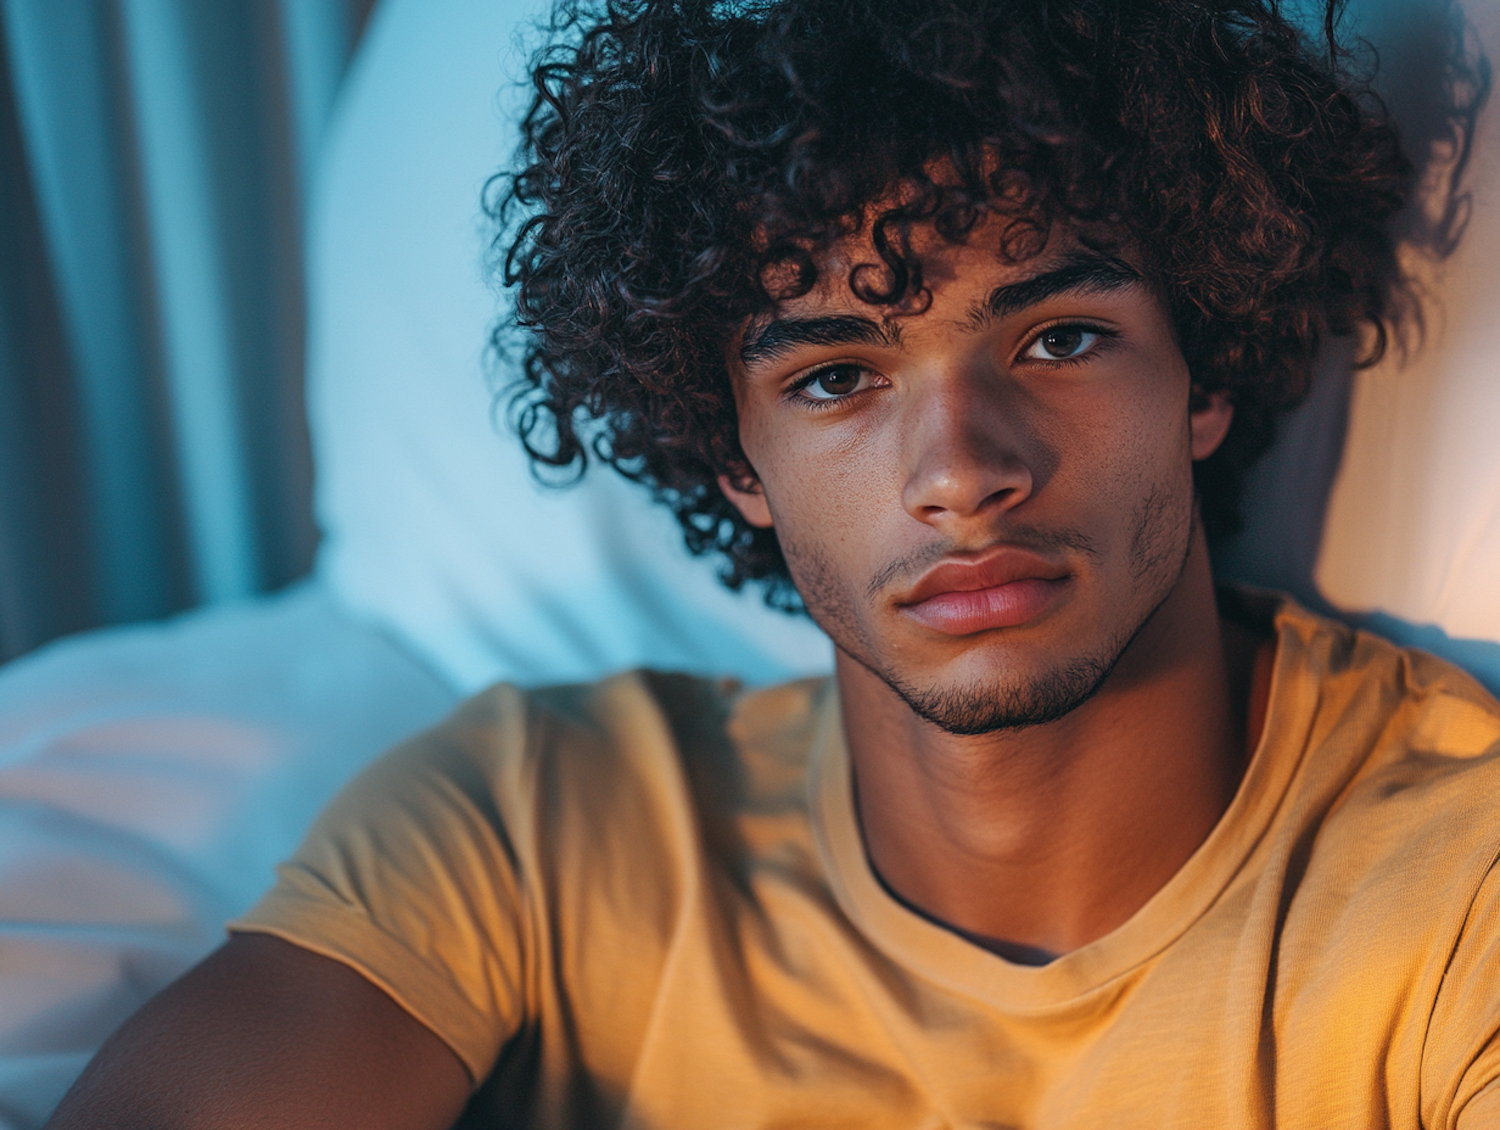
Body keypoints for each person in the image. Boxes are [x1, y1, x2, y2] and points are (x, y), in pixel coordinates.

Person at [44, 0, 1500, 1127]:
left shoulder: (1456, 890)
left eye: (1058, 338)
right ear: (731, 456)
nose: (962, 470)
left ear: (1206, 375)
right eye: (835, 379)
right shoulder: (538, 822)